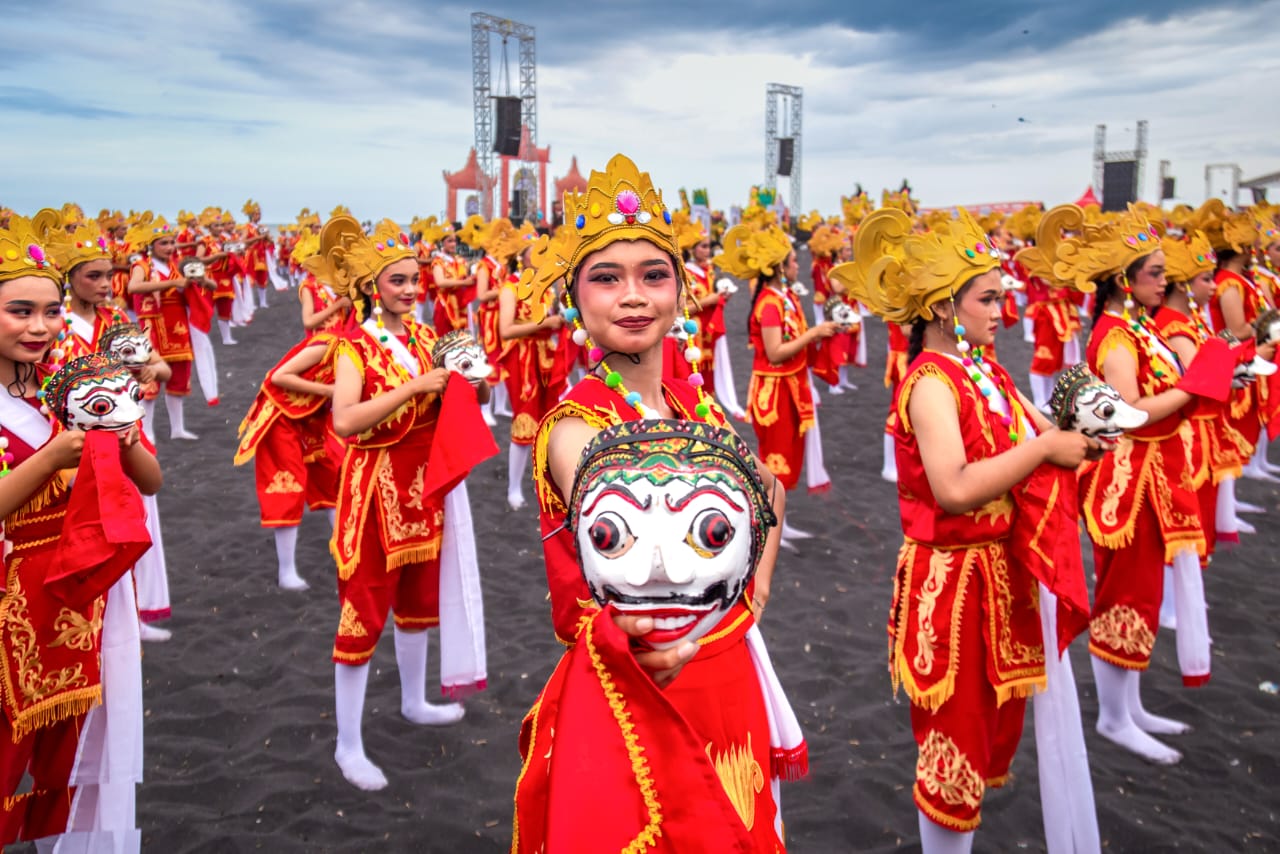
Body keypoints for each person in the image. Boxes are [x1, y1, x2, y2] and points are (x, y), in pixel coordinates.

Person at [512, 154, 805, 852]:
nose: (634, 295)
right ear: (575, 300)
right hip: (647, 684)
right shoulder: (578, 427)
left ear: (680, 290)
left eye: (654, 276)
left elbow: (768, 498)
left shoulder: (692, 398)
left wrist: (754, 594)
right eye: (607, 279)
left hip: (728, 664)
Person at [833, 206, 1100, 852]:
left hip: (999, 573)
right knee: (953, 744)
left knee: (987, 738)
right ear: (947, 307)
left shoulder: (986, 369)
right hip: (952, 588)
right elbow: (952, 487)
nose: (1000, 312)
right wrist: (1044, 452)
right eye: (988, 299)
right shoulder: (929, 383)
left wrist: (1090, 425)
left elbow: (1042, 429)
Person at [0, 215, 161, 850]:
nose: (39, 328)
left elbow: (150, 482)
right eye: (19, 312)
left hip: (86, 593)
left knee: (79, 752)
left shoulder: (68, 388)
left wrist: (124, 438)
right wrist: (51, 459)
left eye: (48, 312)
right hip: (14, 599)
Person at [1056, 203, 1226, 765]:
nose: (1164, 280)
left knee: (1144, 595)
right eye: (1154, 272)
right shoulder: (1116, 336)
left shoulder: (1135, 329)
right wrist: (1193, 388)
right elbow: (1128, 410)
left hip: (1151, 478)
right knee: (1124, 597)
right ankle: (1113, 715)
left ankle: (1128, 707)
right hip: (1127, 483)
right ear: (1124, 280)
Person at [323, 216, 487, 791]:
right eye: (398, 281)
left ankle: (414, 700)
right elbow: (343, 420)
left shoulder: (425, 338)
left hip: (428, 485)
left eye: (415, 280)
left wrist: (475, 381)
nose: (412, 290)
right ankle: (348, 745)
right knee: (363, 612)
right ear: (373, 287)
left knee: (419, 603)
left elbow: (461, 398)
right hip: (376, 492)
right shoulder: (353, 346)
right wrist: (416, 388)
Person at [36, 210, 176, 645]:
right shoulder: (52, 332)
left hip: (128, 440)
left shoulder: (117, 323)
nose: (104, 284)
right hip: (72, 449)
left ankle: (135, 615)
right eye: (94, 276)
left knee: (138, 524)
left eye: (108, 275)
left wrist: (151, 374)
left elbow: (161, 366)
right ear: (70, 278)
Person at [234, 236, 345, 591]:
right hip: (281, 411)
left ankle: (345, 550)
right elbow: (279, 377)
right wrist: (331, 391)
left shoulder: (354, 340)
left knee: (330, 472)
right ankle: (286, 570)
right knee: (289, 483)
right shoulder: (326, 337)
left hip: (313, 410)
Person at [717, 224, 838, 522]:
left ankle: (779, 520)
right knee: (776, 460)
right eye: (793, 261)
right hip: (776, 392)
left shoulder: (785, 297)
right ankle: (770, 521)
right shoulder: (771, 304)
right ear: (780, 267)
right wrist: (813, 334)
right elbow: (775, 352)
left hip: (790, 386)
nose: (798, 264)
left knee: (788, 456)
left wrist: (818, 335)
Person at [125, 215, 206, 440]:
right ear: (151, 246)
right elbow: (134, 287)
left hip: (177, 324)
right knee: (149, 379)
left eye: (172, 242)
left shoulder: (175, 266)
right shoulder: (141, 265)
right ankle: (147, 430)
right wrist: (172, 283)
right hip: (153, 326)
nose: (170, 247)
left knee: (179, 378)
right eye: (164, 243)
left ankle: (177, 428)